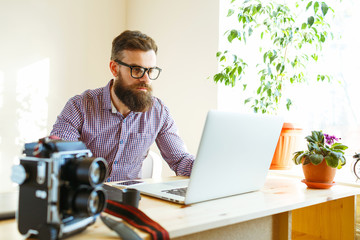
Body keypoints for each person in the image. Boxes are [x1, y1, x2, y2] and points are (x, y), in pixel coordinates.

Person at [50, 30, 194, 182]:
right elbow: (60, 159)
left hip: (130, 201)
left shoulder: (158, 112)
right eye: (136, 70)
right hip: (86, 199)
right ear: (114, 68)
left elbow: (180, 161)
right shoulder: (79, 106)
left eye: (150, 71)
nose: (146, 79)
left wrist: (215, 167)